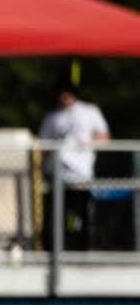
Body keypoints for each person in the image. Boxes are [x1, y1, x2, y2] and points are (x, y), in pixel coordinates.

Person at [39, 81, 111, 249]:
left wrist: (84, 143)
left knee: (83, 216)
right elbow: (44, 147)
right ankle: (55, 251)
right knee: (56, 217)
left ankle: (82, 251)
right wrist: (42, 170)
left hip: (81, 175)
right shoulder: (52, 117)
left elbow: (104, 137)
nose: (64, 99)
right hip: (57, 175)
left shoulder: (89, 111)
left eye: (67, 95)